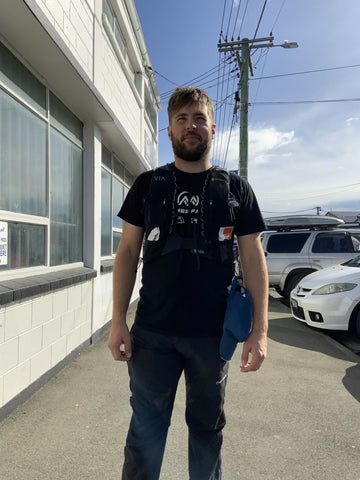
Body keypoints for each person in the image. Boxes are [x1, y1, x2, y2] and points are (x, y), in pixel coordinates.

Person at [108, 87, 268, 480]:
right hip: (152, 335)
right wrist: (117, 321)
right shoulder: (147, 185)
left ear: (212, 127)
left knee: (207, 432)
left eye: (198, 118)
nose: (190, 126)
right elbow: (128, 252)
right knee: (145, 430)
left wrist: (260, 330)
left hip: (213, 339)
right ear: (169, 131)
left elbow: (252, 256)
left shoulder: (236, 190)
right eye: (181, 119)